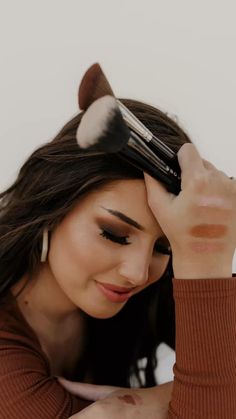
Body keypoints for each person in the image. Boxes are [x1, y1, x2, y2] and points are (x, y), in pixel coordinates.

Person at [0, 94, 235, 419]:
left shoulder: (150, 291)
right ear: (53, 209)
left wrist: (134, 404)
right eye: (114, 234)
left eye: (165, 247)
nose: (137, 273)